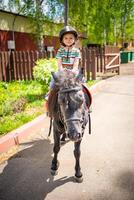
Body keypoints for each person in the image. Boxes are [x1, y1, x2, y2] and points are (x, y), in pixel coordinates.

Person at [46, 26, 81, 97]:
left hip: (72, 69)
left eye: (71, 38)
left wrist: (73, 70)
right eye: (66, 38)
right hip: (62, 69)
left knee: (81, 79)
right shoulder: (60, 51)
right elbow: (59, 62)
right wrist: (61, 70)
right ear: (62, 40)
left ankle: (85, 95)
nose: (68, 40)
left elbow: (76, 63)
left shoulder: (76, 51)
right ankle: (50, 92)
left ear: (74, 39)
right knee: (54, 78)